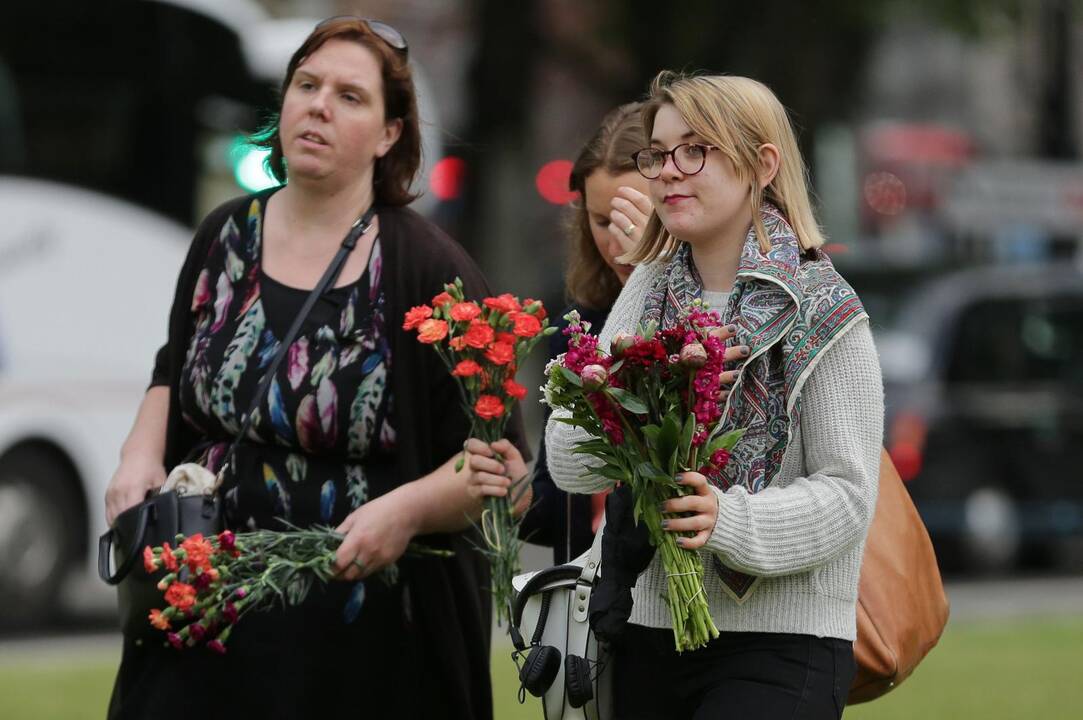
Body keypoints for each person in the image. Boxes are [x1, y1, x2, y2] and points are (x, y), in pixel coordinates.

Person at [104, 18, 526, 720]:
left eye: (350, 96)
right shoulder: (225, 235)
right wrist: (138, 453)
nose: (319, 105)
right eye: (307, 85)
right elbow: (174, 364)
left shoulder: (430, 273)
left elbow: (497, 463)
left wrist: (406, 510)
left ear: (391, 134)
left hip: (356, 631)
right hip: (202, 604)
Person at [545, 71, 883, 719]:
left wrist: (726, 520)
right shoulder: (646, 289)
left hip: (784, 641)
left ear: (761, 164)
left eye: (694, 150)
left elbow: (847, 497)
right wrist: (634, 394)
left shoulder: (824, 307)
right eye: (657, 154)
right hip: (645, 631)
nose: (667, 171)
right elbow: (568, 462)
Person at [515, 102, 654, 564]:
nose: (618, 243)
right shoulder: (579, 328)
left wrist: (649, 280)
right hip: (590, 607)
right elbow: (555, 515)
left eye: (636, 218)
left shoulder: (709, 326)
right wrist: (511, 489)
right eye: (602, 221)